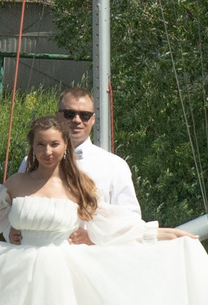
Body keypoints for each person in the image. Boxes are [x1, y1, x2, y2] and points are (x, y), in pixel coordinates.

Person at [0, 113, 194, 246]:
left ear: (65, 146)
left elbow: (118, 225)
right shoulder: (16, 183)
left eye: (54, 144)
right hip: (17, 269)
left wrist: (167, 234)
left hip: (64, 271)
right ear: (32, 147)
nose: (47, 152)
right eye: (41, 145)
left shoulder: (80, 186)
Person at [23, 87, 138, 218]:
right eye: (69, 114)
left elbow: (130, 218)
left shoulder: (114, 166)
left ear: (93, 119)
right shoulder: (33, 161)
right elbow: (16, 207)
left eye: (85, 115)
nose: (77, 120)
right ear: (58, 116)